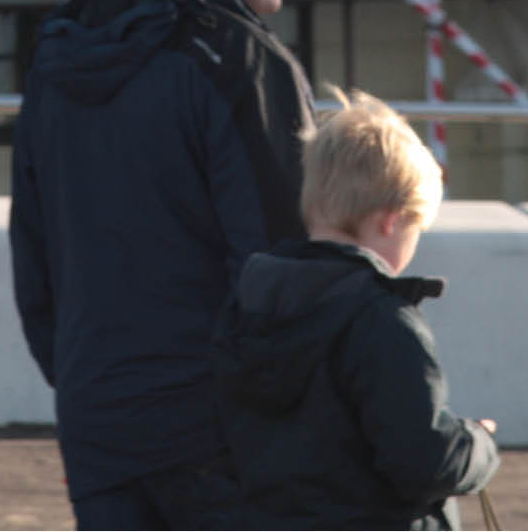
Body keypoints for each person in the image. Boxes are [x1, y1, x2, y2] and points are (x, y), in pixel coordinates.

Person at [9, 0, 319, 530]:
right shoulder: (240, 56)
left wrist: (84, 382)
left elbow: (32, 255)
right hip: (217, 431)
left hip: (97, 420)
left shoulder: (60, 50)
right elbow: (285, 259)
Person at [213, 90, 501, 530]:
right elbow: (421, 459)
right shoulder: (381, 318)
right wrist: (478, 443)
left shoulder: (249, 304)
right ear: (390, 219)